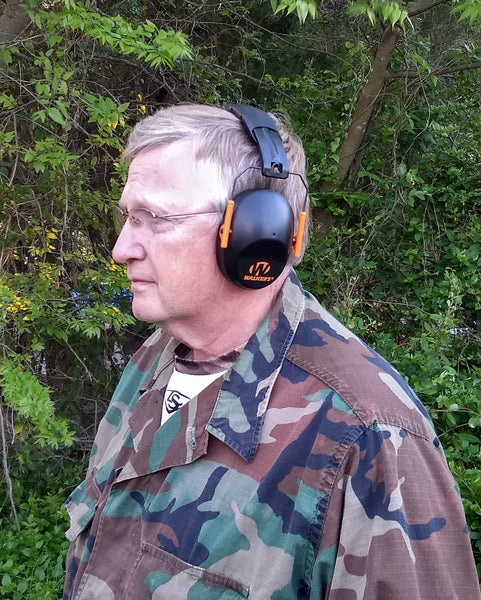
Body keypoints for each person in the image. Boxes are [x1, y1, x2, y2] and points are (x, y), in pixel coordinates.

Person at [63, 103, 480, 600]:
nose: (121, 248)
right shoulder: (156, 356)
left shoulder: (369, 438)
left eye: (153, 217)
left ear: (256, 235)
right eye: (128, 216)